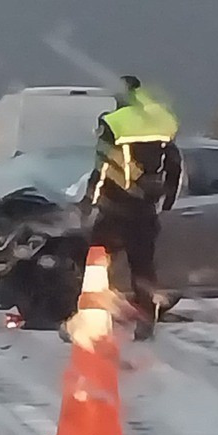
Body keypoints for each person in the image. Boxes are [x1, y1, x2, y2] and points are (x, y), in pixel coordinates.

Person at [84, 75, 182, 341]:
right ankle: (147, 319)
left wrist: (89, 200)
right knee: (143, 266)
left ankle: (90, 316)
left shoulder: (114, 122)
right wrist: (169, 197)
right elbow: (174, 162)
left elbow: (103, 166)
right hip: (146, 210)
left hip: (116, 207)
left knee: (95, 259)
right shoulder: (161, 119)